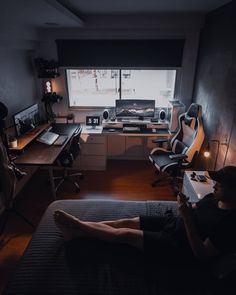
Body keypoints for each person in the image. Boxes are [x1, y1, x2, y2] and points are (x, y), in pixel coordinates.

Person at [54, 166, 236, 263]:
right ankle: (76, 232)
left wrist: (187, 217)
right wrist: (186, 207)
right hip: (176, 223)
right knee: (124, 222)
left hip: (180, 246)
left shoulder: (229, 225)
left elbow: (201, 254)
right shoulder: (213, 197)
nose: (213, 186)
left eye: (219, 185)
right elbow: (198, 210)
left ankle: (77, 224)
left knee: (125, 234)